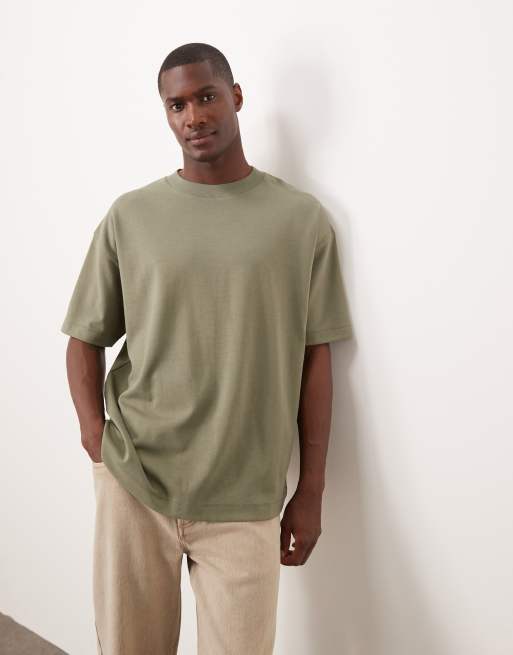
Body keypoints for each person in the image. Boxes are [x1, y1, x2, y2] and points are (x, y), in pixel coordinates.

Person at [61, 42, 353, 655]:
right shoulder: (131, 216)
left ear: (236, 97)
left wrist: (312, 490)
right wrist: (94, 434)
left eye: (206, 97)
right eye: (177, 105)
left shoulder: (300, 220)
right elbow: (85, 335)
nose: (193, 116)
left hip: (245, 491)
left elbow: (315, 359)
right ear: (166, 114)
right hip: (136, 479)